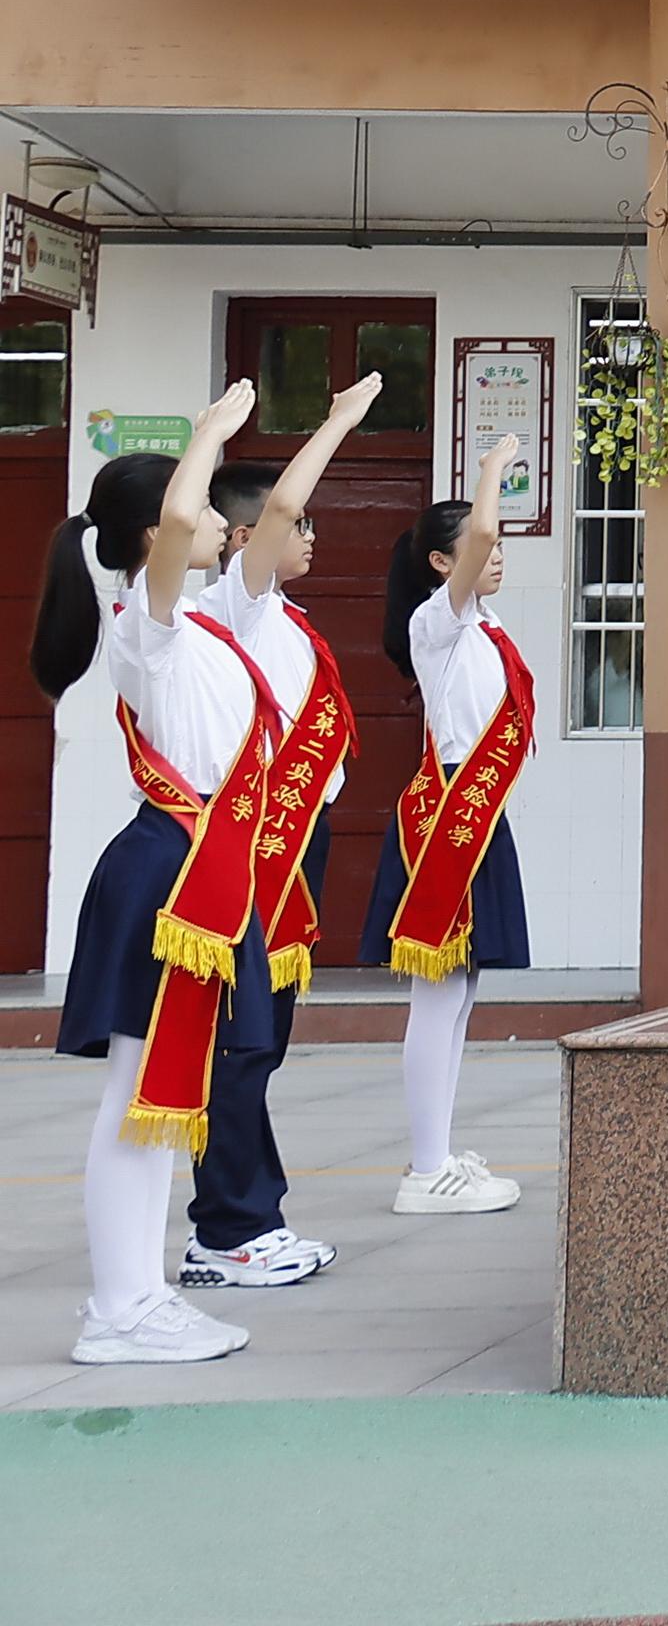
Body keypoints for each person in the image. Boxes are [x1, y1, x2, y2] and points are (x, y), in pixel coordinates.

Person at [38, 380, 274, 1363]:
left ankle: (138, 1297)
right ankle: (118, 1308)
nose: (225, 521)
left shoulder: (208, 621)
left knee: (161, 1100)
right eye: (214, 507)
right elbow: (183, 514)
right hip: (166, 874)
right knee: (138, 1095)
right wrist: (209, 433)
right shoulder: (149, 618)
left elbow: (252, 527)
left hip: (192, 870)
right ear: (152, 538)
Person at [179, 375, 384, 1290]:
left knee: (264, 1037)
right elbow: (287, 502)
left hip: (298, 842)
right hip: (257, 845)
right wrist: (337, 422)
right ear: (248, 535)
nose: (308, 534)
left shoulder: (282, 617)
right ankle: (229, 1227)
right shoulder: (240, 601)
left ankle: (247, 1216)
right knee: (245, 1038)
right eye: (296, 526)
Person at [367, 434, 536, 1215]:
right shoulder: (439, 621)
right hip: (445, 825)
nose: (492, 552)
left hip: (475, 819)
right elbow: (488, 536)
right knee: (437, 998)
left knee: (460, 996)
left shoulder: (481, 626)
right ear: (442, 563)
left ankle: (435, 1154)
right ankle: (425, 1168)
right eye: (471, 545)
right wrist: (492, 473)